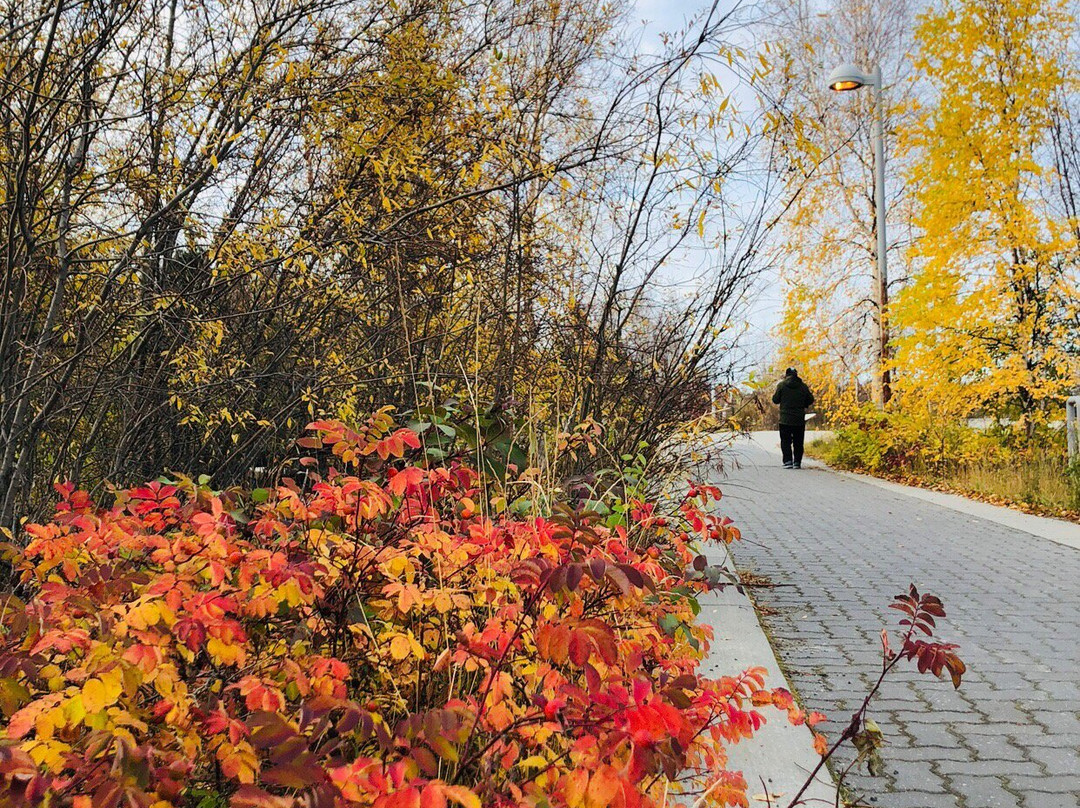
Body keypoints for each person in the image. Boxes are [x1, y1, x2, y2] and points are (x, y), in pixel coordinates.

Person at [772, 367, 814, 469]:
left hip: (785, 419)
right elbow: (810, 399)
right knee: (798, 442)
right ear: (796, 374)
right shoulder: (803, 387)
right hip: (799, 419)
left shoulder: (781, 385)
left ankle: (788, 461)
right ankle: (797, 462)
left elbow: (775, 400)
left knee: (785, 441)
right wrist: (803, 404)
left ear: (786, 375)